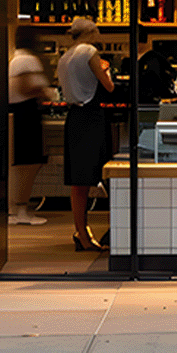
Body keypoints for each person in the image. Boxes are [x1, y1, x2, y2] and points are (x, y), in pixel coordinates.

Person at [56, 18, 115, 252]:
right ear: (90, 32)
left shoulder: (65, 56)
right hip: (92, 117)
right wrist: (106, 70)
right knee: (107, 173)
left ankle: (81, 233)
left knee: (79, 181)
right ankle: (116, 230)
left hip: (74, 118)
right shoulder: (90, 52)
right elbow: (108, 87)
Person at [8, 26, 51, 226]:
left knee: (22, 164)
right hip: (27, 114)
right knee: (29, 163)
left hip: (18, 114)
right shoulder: (27, 60)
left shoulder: (15, 58)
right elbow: (25, 86)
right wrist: (44, 92)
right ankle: (22, 210)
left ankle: (16, 208)